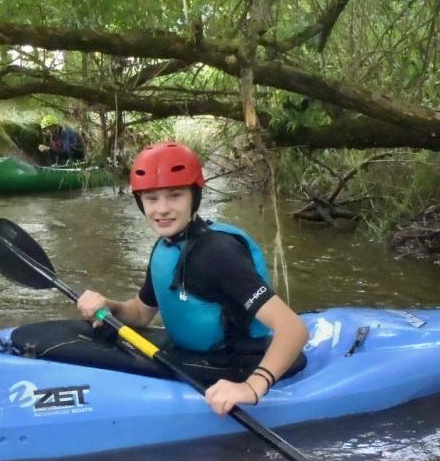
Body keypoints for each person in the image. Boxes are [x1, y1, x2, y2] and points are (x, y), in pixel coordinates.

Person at [77, 141, 309, 416]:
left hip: (235, 363)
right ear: (141, 203)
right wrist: (109, 306)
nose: (162, 209)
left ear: (194, 197)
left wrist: (251, 387)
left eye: (175, 196)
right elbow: (140, 313)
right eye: (151, 198)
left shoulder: (218, 253)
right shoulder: (164, 248)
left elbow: (293, 329)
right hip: (191, 354)